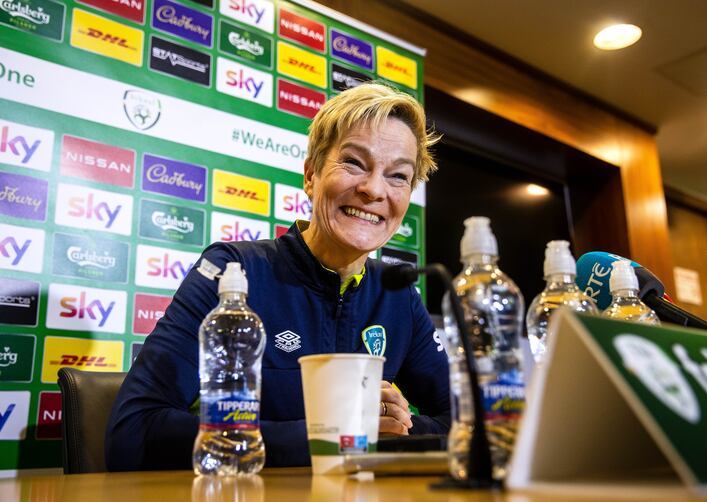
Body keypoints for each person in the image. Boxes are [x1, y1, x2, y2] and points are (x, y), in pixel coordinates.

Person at [106, 83, 450, 470]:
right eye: (354, 163)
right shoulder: (233, 271)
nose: (373, 189)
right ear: (311, 175)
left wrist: (392, 427)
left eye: (398, 176)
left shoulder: (397, 294)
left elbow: (467, 423)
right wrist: (334, 436)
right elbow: (133, 432)